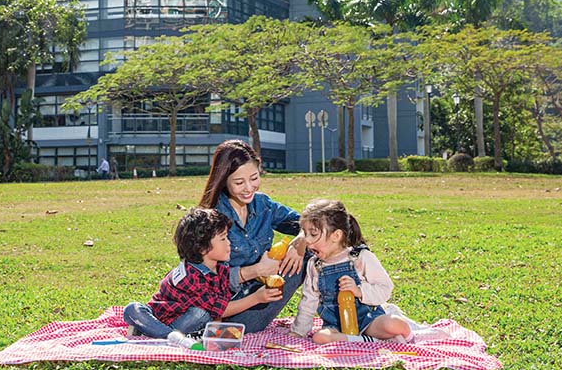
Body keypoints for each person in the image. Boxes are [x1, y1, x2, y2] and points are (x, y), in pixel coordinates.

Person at [198, 139, 307, 334]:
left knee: (313, 254)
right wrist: (256, 270)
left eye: (254, 178)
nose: (249, 187)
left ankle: (349, 316)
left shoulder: (262, 204)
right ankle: (227, 329)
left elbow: (308, 222)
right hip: (229, 307)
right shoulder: (211, 218)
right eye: (239, 182)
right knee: (230, 328)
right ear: (223, 180)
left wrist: (301, 239)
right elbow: (203, 279)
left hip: (263, 291)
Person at [123, 207, 282, 339]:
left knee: (206, 317)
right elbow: (221, 309)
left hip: (184, 320)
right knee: (133, 309)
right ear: (202, 248)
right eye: (223, 239)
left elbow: (220, 299)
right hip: (165, 318)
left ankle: (152, 332)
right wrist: (256, 298)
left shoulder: (219, 266)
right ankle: (167, 336)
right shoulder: (192, 276)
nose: (229, 243)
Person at [290, 199, 413, 344]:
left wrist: (359, 291)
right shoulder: (314, 265)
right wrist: (298, 331)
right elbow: (308, 301)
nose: (308, 241)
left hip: (369, 321)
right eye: (305, 233)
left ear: (336, 236)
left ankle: (401, 338)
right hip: (336, 326)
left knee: (395, 324)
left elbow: (385, 287)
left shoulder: (360, 258)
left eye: (313, 234)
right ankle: (374, 342)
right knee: (319, 337)